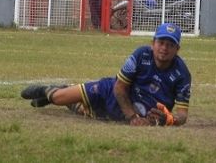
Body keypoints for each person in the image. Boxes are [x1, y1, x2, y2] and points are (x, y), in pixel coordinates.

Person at [20, 22, 191, 126]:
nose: (164, 48)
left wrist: (171, 120)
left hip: (133, 112)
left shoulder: (182, 74)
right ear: (153, 43)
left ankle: (71, 102)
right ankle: (48, 90)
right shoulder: (141, 55)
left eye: (170, 44)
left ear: (177, 49)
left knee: (85, 112)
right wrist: (132, 117)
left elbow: (182, 114)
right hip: (111, 91)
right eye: (161, 42)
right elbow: (119, 87)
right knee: (58, 98)